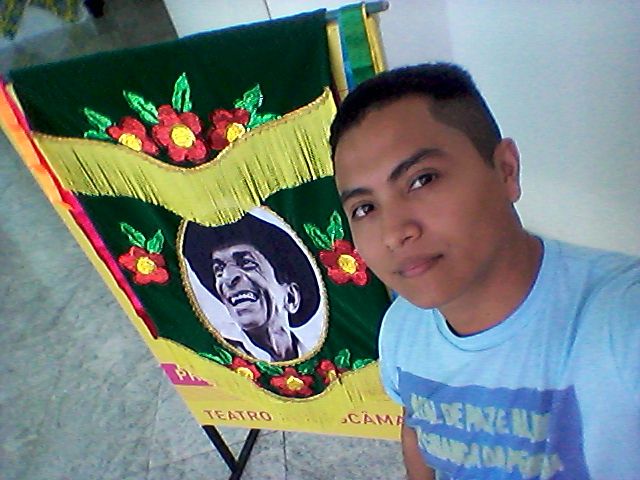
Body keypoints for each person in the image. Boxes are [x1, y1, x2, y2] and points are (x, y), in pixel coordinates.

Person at [330, 63, 639, 479]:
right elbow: (417, 428)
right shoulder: (402, 327)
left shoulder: (619, 320)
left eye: (422, 180)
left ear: (506, 170)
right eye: (364, 208)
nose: (394, 233)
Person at [183, 213, 321, 362]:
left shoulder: (316, 357)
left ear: (291, 297)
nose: (228, 277)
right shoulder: (216, 358)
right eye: (219, 270)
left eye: (247, 263)